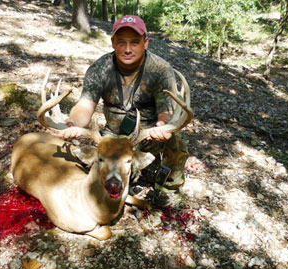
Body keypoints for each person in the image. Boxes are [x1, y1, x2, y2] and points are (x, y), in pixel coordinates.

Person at [57, 15, 189, 190]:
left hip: (147, 135)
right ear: (113, 42)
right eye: (121, 42)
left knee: (176, 140)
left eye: (135, 42)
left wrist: (163, 126)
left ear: (146, 42)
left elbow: (166, 112)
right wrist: (73, 124)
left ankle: (168, 190)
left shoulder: (160, 70)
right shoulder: (101, 69)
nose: (128, 49)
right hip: (112, 137)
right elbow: (85, 105)